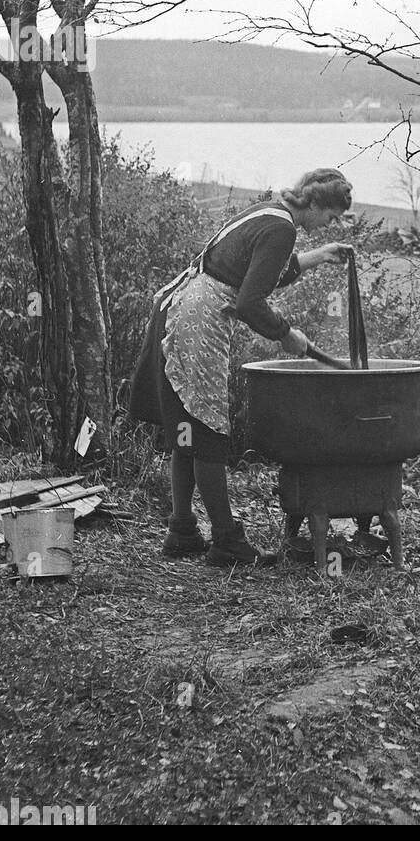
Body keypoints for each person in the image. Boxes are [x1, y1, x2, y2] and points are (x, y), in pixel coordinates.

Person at [128, 167, 354, 567]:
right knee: (210, 429)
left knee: (187, 426)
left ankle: (182, 529)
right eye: (331, 217)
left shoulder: (272, 211)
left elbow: (263, 274)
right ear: (316, 203)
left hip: (179, 306)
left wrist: (319, 256)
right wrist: (286, 334)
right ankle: (227, 542)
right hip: (198, 317)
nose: (328, 225)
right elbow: (251, 301)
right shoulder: (282, 228)